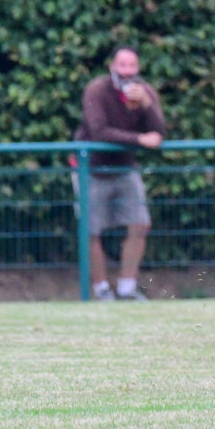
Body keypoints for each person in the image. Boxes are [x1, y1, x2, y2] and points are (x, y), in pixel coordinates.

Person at [74, 46, 167, 301]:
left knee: (140, 224)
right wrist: (138, 139)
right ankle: (101, 289)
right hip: (91, 168)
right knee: (91, 230)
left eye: (132, 66)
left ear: (138, 69)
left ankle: (127, 288)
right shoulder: (96, 89)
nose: (127, 72)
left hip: (125, 168)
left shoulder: (145, 91)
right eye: (122, 66)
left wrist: (147, 105)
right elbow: (98, 131)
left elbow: (159, 133)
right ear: (112, 67)